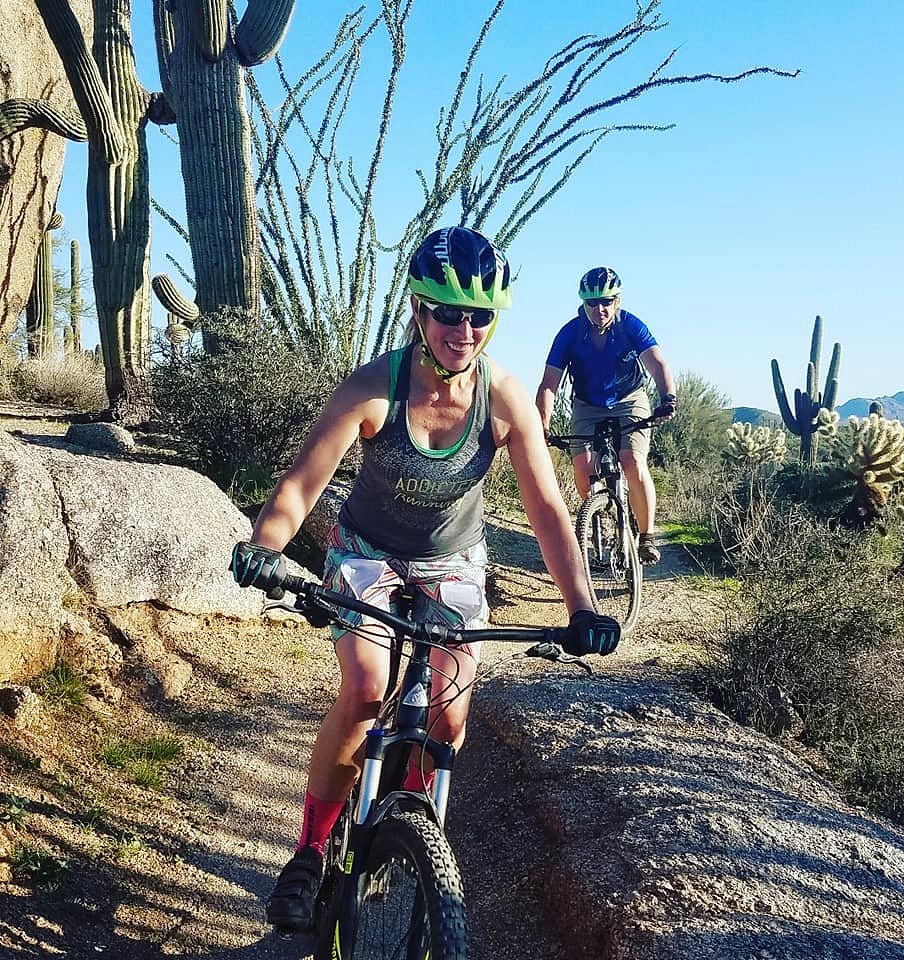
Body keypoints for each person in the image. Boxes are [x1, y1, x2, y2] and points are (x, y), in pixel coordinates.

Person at [230, 226, 620, 932]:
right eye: (447, 312)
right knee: (365, 688)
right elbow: (299, 489)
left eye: (480, 316)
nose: (463, 330)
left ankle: (413, 835)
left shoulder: (504, 402)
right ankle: (312, 849)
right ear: (417, 310)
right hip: (366, 551)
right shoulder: (372, 388)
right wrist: (266, 547)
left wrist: (582, 605)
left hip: (454, 559)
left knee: (449, 714)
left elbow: (549, 515)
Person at [535, 266, 677, 565]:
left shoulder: (631, 326)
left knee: (632, 460)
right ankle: (598, 511)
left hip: (630, 399)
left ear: (618, 300)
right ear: (583, 303)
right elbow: (549, 383)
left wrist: (667, 398)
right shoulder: (570, 333)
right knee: (584, 466)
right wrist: (542, 424)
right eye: (592, 303)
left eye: (606, 301)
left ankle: (647, 536)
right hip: (587, 403)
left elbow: (657, 364)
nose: (599, 309)